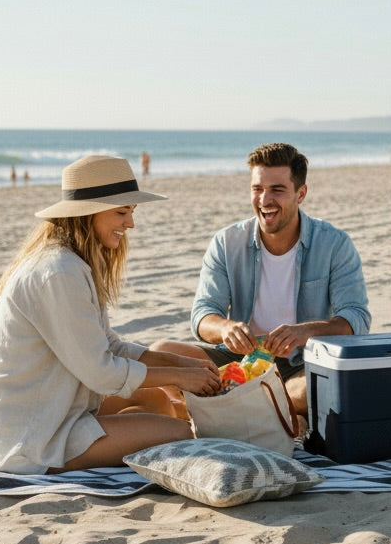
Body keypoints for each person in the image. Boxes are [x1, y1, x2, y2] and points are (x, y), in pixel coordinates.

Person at [0, 155, 221, 474]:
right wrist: (180, 377)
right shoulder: (59, 272)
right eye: (122, 212)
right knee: (180, 433)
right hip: (32, 437)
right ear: (87, 213)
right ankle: (109, 443)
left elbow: (110, 346)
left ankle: (114, 439)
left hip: (60, 407)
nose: (130, 224)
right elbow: (101, 373)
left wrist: (182, 364)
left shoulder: (72, 264)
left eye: (131, 212)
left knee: (159, 403)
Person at [152, 142, 370, 416]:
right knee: (160, 353)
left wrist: (304, 331)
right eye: (257, 189)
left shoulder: (335, 244)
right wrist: (226, 329)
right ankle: (259, 413)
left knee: (309, 390)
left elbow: (357, 319)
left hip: (301, 362)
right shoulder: (226, 242)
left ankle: (230, 411)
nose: (265, 200)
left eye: (277, 190)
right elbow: (203, 315)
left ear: (300, 194)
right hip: (238, 360)